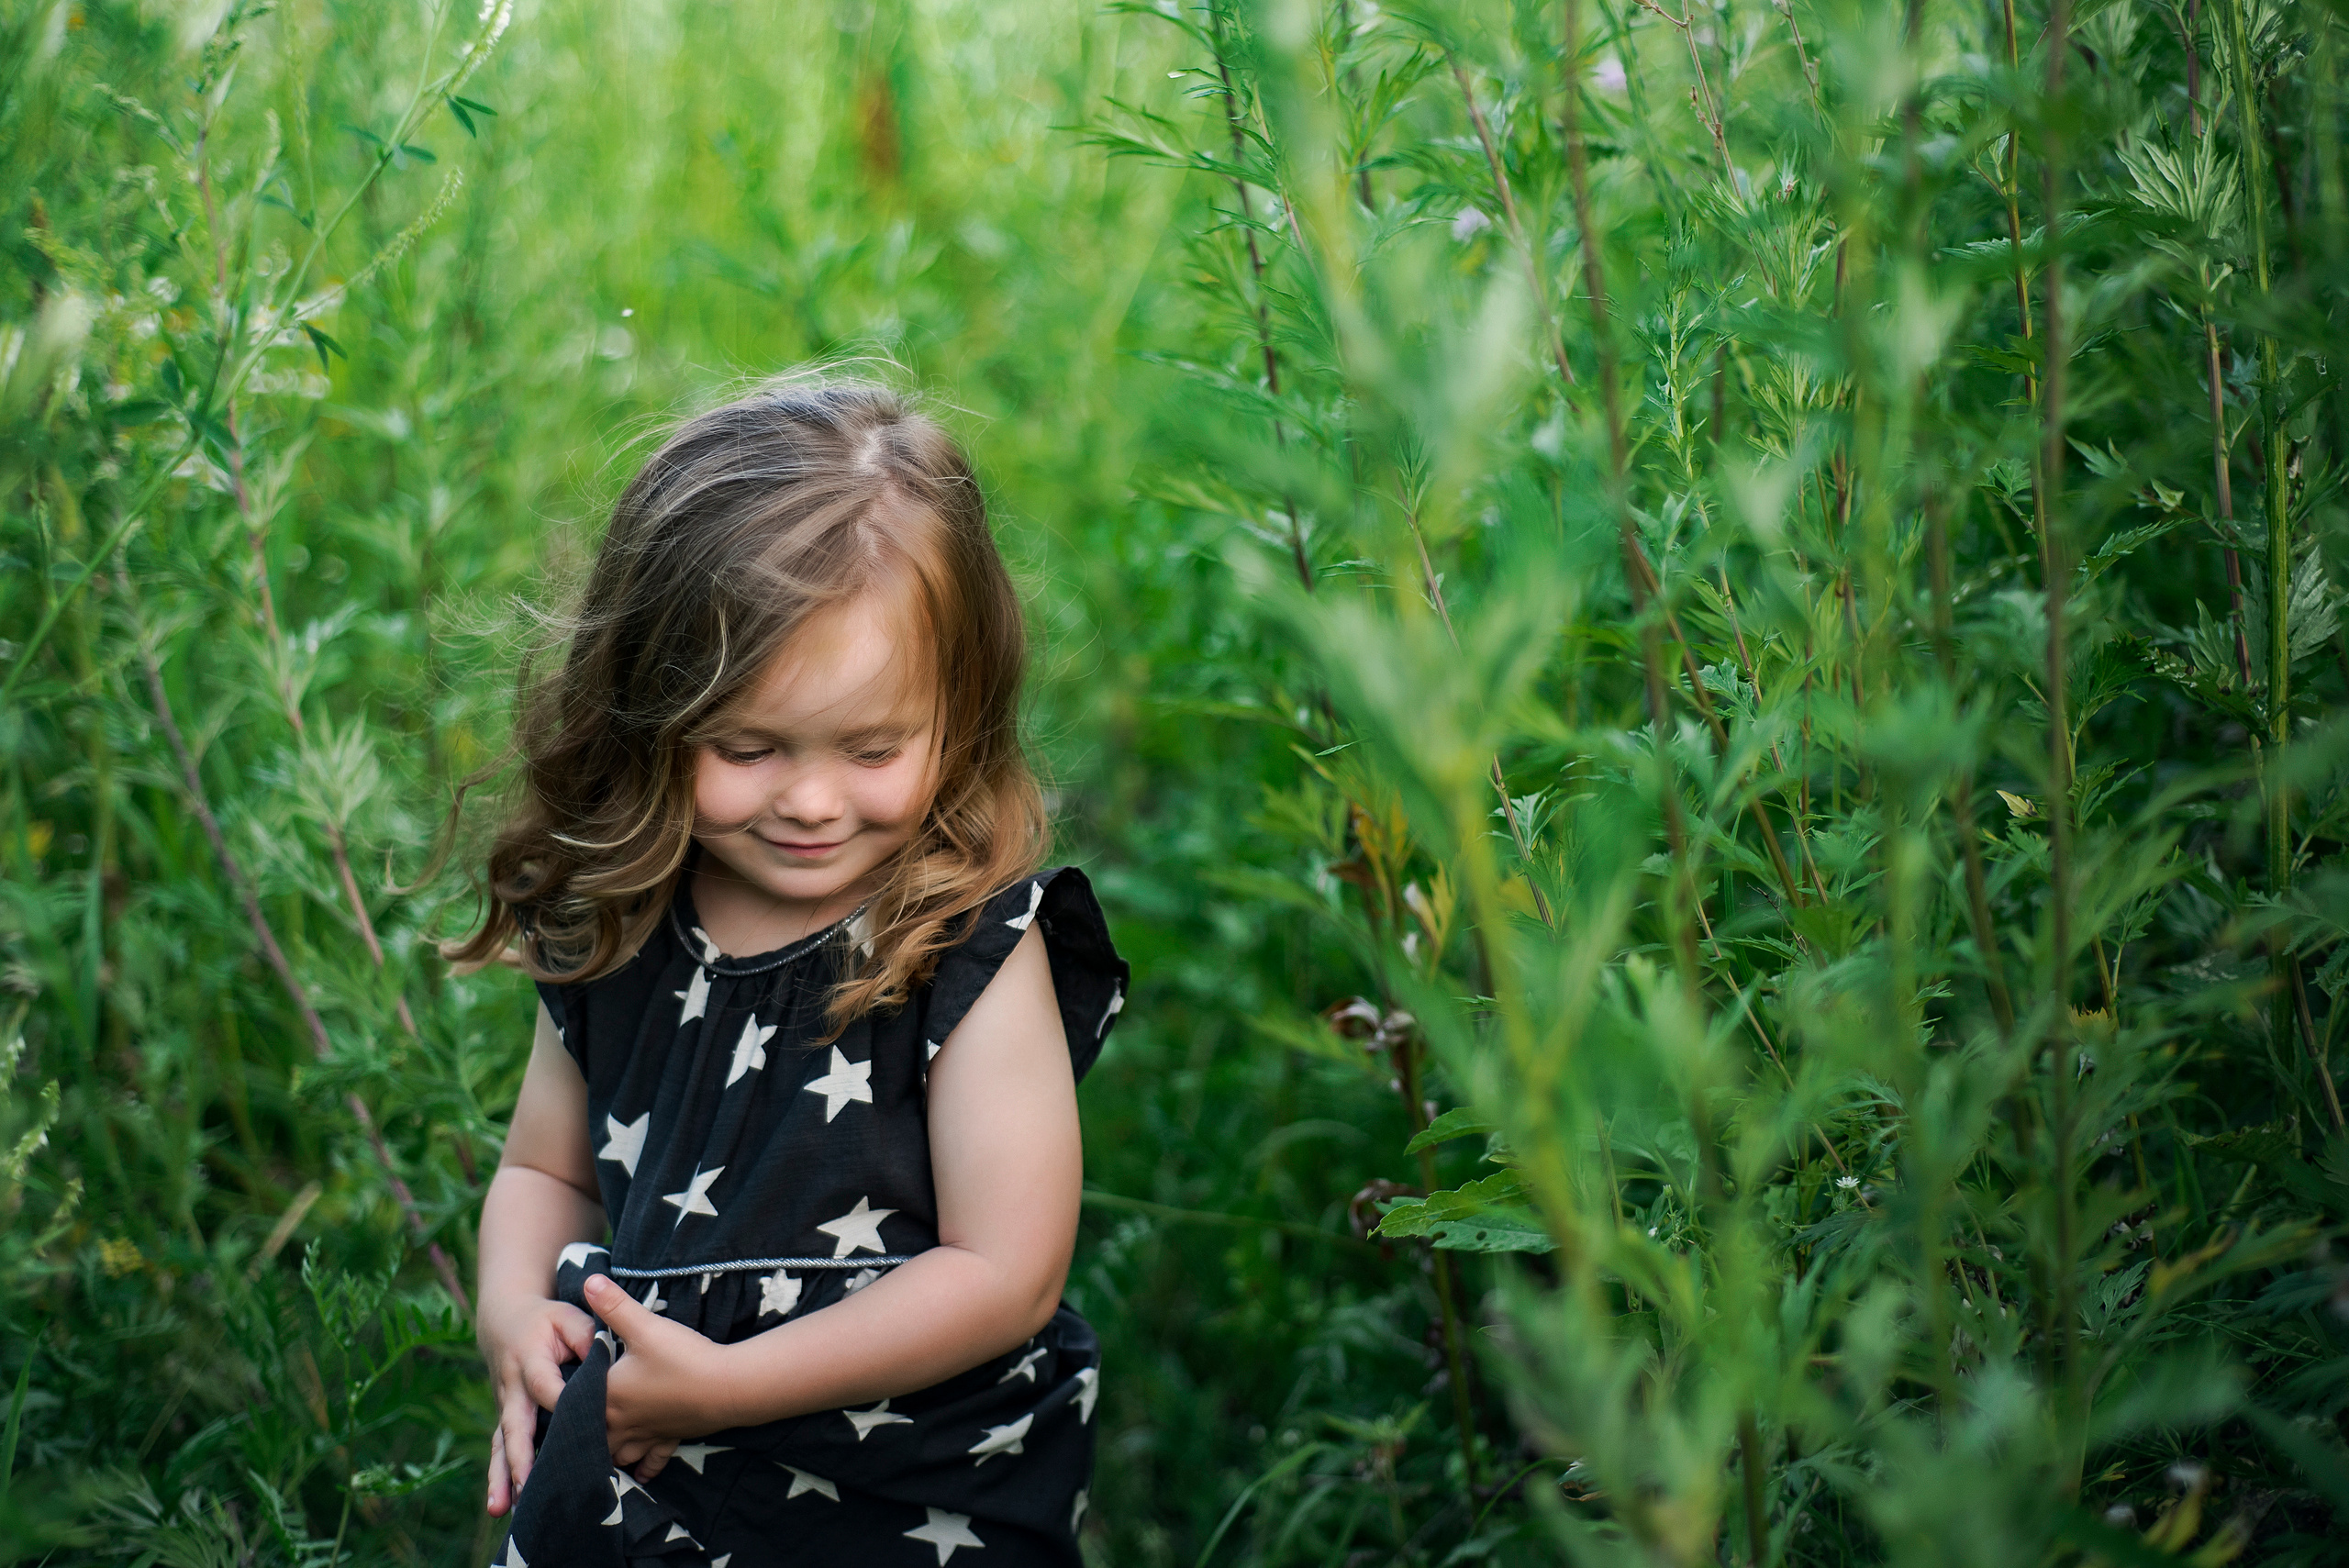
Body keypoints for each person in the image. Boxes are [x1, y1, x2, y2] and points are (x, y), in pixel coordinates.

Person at [446, 376, 1128, 1567]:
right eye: (749, 746)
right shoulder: (621, 925)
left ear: (956, 714)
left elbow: (1006, 1271)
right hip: (644, 1487)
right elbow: (541, 1170)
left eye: (873, 748)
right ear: (651, 710)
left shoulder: (967, 945)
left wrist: (729, 1386)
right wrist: (513, 1310)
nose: (811, 800)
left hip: (894, 1499)